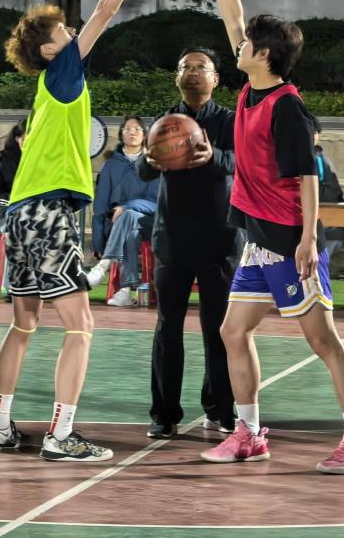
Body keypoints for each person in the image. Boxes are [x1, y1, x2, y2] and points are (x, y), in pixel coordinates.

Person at [202, 0, 344, 474]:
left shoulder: (287, 108)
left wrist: (307, 240)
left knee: (323, 341)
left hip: (289, 239)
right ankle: (249, 433)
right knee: (233, 330)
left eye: (248, 42)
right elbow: (232, 14)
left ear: (265, 55)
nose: (239, 43)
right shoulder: (250, 90)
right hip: (260, 239)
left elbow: (308, 176)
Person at [0, 0, 154, 462]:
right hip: (49, 212)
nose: (72, 31)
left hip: (19, 215)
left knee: (24, 323)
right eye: (62, 31)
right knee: (80, 327)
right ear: (51, 51)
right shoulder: (63, 72)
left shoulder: (47, 89)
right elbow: (106, 10)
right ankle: (61, 435)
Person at [137, 46, 239, 439]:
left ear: (216, 79)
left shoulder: (230, 121)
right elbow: (142, 168)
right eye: (186, 67)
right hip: (173, 238)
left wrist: (215, 157)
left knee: (219, 328)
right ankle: (164, 415)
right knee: (168, 327)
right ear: (177, 77)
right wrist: (148, 160)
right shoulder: (165, 122)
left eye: (202, 67)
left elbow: (244, 163)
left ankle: (220, 409)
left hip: (219, 237)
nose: (193, 72)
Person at [85, 116, 159, 307]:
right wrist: (98, 243)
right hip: (115, 225)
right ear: (121, 134)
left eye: (137, 129)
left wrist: (128, 206)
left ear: (144, 135)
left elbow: (156, 204)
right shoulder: (111, 165)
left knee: (128, 215)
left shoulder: (153, 163)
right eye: (127, 129)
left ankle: (103, 267)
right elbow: (100, 206)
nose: (132, 132)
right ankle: (125, 291)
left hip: (149, 223)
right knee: (129, 232)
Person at [0, 120, 26, 302]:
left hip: (37, 212)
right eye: (25, 137)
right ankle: (14, 286)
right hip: (9, 213)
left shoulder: (45, 160)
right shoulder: (5, 160)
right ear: (18, 138)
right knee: (17, 230)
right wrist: (15, 203)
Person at [311, 115, 344, 260]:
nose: (311, 136)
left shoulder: (322, 160)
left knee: (336, 232)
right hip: (294, 219)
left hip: (324, 218)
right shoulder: (286, 159)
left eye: (314, 132)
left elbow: (335, 193)